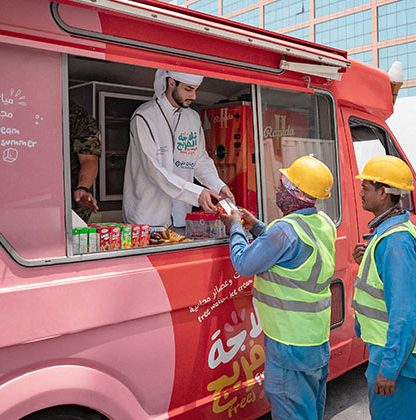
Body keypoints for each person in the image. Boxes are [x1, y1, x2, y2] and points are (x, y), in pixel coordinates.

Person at [219, 156, 336, 420]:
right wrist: (259, 227)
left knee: (292, 411)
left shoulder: (284, 231)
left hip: (288, 344)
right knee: (310, 411)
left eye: (283, 187)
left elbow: (243, 263)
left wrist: (235, 225)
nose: (277, 191)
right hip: (315, 341)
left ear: (295, 194)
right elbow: (292, 251)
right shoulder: (324, 223)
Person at [352, 155, 416, 420]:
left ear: (383, 192)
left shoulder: (396, 243)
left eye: (365, 187)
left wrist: (389, 369)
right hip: (386, 353)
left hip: (393, 359)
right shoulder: (387, 233)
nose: (360, 193)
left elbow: (404, 314)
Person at [123, 69, 233, 227]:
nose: (193, 96)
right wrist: (196, 194)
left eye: (195, 90)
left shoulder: (193, 118)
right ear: (171, 83)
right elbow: (154, 170)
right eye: (188, 89)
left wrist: (217, 185)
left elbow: (199, 160)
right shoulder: (144, 117)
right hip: (147, 217)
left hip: (181, 216)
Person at [69, 101, 101, 222]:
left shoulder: (76, 115)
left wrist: (83, 188)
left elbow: (89, 158)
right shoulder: (22, 112)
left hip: (71, 204)